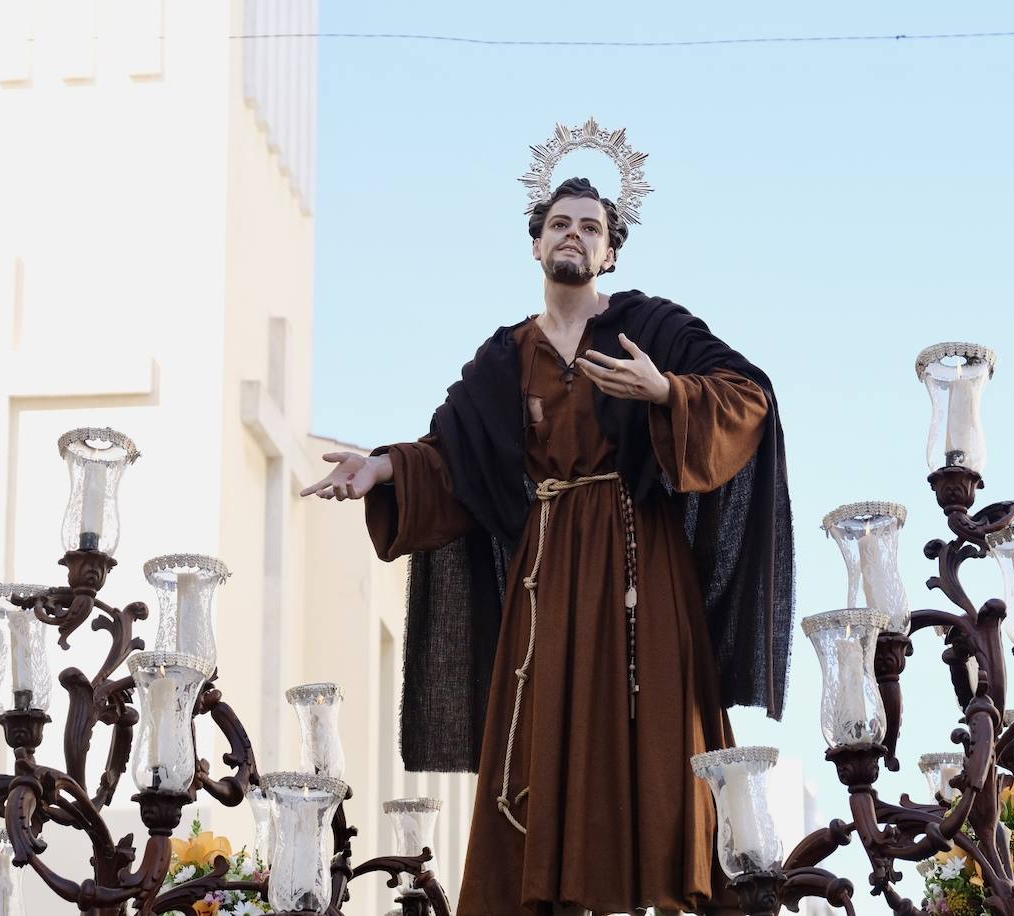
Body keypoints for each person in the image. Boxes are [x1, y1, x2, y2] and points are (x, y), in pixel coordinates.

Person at [301, 176, 794, 915]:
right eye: (560, 224)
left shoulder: (651, 327)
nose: (574, 235)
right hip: (549, 578)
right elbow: (451, 458)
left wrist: (668, 394)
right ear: (536, 244)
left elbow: (749, 397)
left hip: (643, 572)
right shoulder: (504, 359)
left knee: (661, 745)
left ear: (611, 252)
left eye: (591, 227)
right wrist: (381, 467)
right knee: (542, 743)